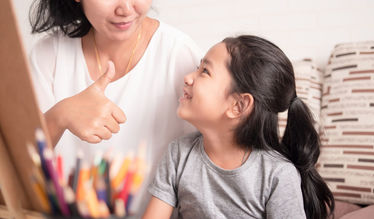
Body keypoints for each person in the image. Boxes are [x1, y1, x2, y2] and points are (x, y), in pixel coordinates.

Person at [28, 0, 202, 213]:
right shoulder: (48, 55)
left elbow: (204, 163)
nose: (126, 9)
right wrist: (60, 115)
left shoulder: (179, 54)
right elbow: (17, 163)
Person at [143, 35, 335, 219]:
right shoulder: (179, 153)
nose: (187, 78)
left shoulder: (277, 174)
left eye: (204, 71)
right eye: (197, 67)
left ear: (238, 106)